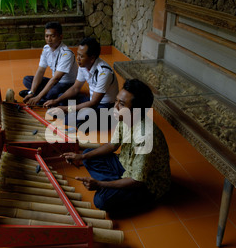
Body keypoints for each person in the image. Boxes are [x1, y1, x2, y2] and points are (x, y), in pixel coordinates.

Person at [62, 79, 171, 216]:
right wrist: (81, 156)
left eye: (122, 104)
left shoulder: (145, 137)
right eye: (116, 101)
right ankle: (115, 184)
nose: (115, 107)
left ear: (136, 111)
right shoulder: (125, 118)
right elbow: (112, 145)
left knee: (101, 201)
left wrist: (100, 184)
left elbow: (137, 180)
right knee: (89, 156)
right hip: (125, 164)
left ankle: (112, 186)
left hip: (146, 184)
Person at [44, 37, 118, 130]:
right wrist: (56, 101)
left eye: (81, 56)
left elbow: (94, 103)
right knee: (61, 96)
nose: (78, 59)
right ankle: (74, 115)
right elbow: (75, 88)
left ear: (92, 58)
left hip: (104, 106)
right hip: (91, 101)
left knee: (70, 119)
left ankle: (101, 121)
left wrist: (66, 109)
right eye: (77, 54)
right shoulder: (83, 66)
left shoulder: (104, 73)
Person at [19, 21, 77, 106]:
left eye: (53, 36)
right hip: (54, 82)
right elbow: (40, 71)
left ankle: (42, 98)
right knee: (27, 80)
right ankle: (38, 95)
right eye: (46, 36)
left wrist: (38, 97)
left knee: (52, 92)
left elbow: (56, 78)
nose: (49, 39)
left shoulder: (66, 53)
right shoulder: (46, 49)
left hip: (66, 83)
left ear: (60, 37)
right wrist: (32, 92)